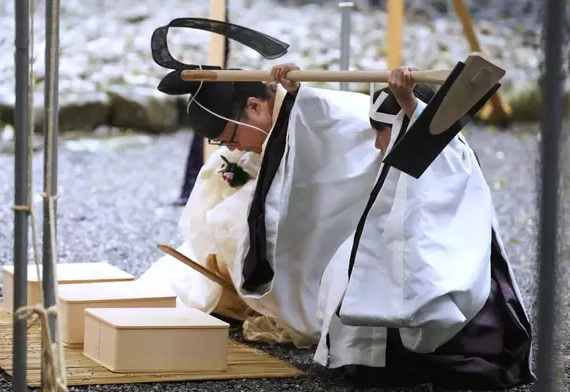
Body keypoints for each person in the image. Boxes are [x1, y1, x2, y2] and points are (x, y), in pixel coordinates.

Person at [313, 68, 535, 389]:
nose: (377, 144)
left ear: (404, 124)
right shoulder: (416, 151)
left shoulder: (447, 151)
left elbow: (427, 136)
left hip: (449, 270)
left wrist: (407, 101)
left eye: (381, 131)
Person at [140, 63, 382, 347]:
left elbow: (316, 182)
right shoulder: (269, 120)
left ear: (255, 106)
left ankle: (278, 301)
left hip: (350, 200)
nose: (232, 147)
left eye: (232, 138)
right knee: (219, 173)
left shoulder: (310, 114)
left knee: (238, 214)